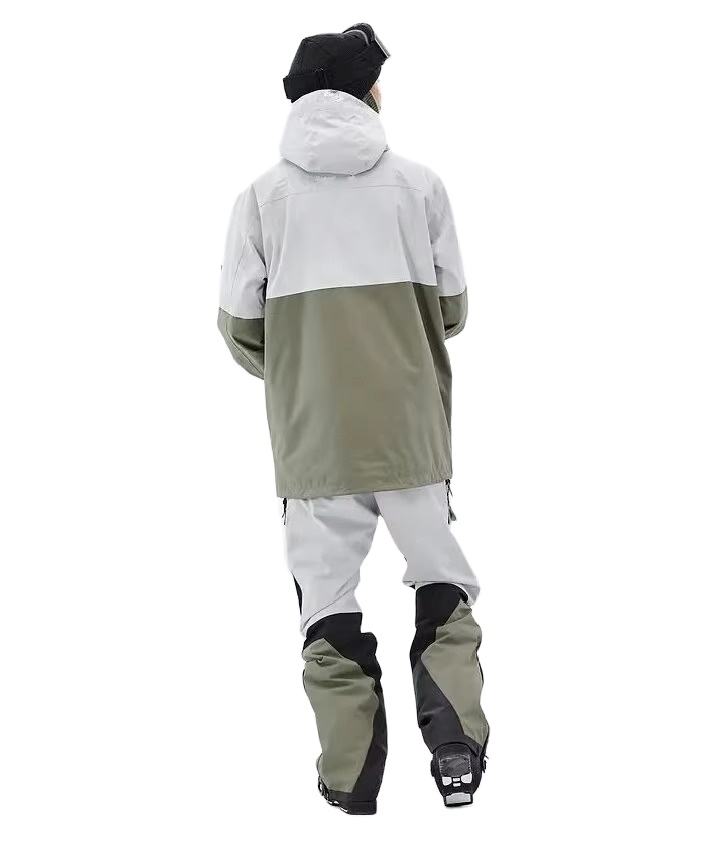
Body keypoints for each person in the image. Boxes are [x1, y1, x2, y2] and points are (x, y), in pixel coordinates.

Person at [218, 23, 489, 814]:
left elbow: (240, 331)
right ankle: (457, 753)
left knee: (326, 605)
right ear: (368, 91)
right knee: (442, 584)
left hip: (315, 445)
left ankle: (349, 782)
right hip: (411, 435)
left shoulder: (259, 201)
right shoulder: (420, 187)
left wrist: (306, 372)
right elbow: (452, 310)